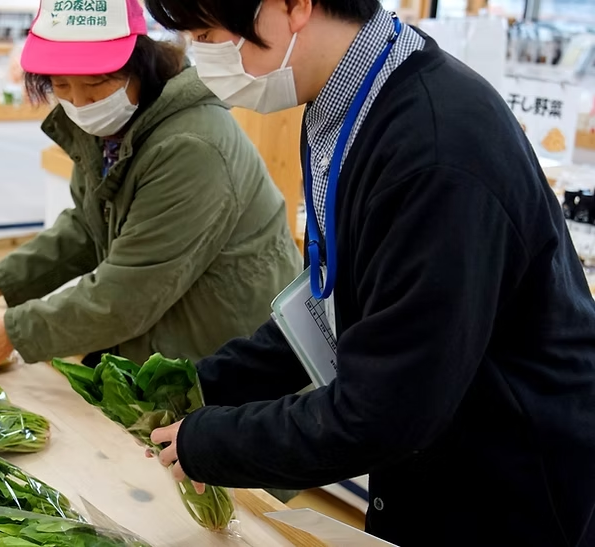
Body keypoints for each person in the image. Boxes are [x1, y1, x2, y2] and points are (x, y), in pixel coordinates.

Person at [142, 0, 595, 545]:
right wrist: (203, 387)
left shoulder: (433, 147)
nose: (201, 56)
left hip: (510, 482)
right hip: (431, 455)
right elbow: (336, 299)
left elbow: (387, 411)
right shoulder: (351, 101)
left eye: (209, 32)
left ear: (295, 7)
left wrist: (210, 443)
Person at [0, 0, 301, 370]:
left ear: (139, 66)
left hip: (228, 359)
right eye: (61, 86)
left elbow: (130, 294)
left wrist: (16, 331)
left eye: (96, 83)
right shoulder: (110, 130)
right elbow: (88, 225)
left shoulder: (191, 147)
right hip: (163, 338)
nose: (80, 103)